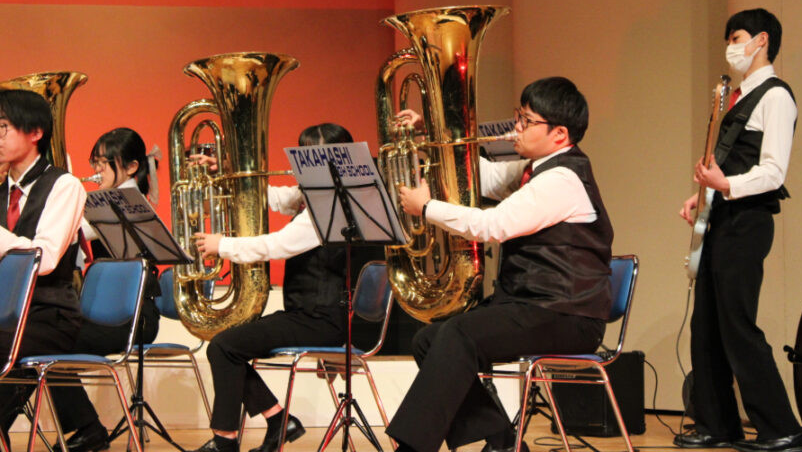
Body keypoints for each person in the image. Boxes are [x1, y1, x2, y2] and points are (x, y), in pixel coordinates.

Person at [387, 76, 614, 452]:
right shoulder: (536, 169)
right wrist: (431, 134)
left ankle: (412, 447)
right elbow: (481, 174)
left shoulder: (562, 179)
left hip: (566, 314)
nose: (516, 128)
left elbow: (492, 226)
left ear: (559, 134)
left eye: (527, 121)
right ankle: (502, 441)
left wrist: (426, 208)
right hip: (534, 307)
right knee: (428, 339)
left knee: (458, 335)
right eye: (518, 117)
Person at [676, 9, 802, 452]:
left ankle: (783, 429)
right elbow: (733, 163)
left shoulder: (776, 96)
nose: (730, 47)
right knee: (706, 325)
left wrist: (725, 186)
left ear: (761, 40)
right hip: (724, 217)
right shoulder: (736, 97)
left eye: (736, 37)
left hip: (748, 223)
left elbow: (773, 171)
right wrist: (704, 195)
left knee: (737, 325)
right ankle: (718, 425)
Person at [189, 123, 354, 452]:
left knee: (224, 347)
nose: (303, 164)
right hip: (307, 314)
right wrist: (227, 173)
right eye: (302, 155)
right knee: (227, 347)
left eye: (313, 156)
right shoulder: (314, 196)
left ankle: (228, 439)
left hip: (321, 320)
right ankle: (278, 421)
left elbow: (277, 245)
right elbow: (274, 197)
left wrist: (223, 245)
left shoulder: (330, 207)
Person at [51, 127, 162, 452]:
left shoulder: (123, 204)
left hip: (136, 318)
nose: (97, 170)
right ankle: (87, 428)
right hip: (109, 318)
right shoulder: (105, 200)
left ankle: (88, 429)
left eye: (104, 163)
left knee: (50, 340)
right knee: (46, 337)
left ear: (131, 167)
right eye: (95, 163)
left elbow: (72, 231)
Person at [0, 90, 87, 449]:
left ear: (35, 132)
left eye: (3, 127)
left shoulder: (65, 186)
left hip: (49, 316)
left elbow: (45, 258)